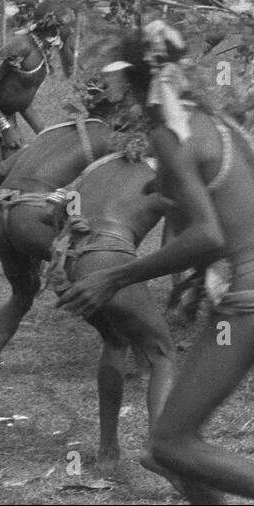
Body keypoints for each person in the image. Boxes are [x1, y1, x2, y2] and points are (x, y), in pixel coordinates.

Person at [56, 23, 254, 504]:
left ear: (137, 84)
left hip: (251, 298)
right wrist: (178, 193)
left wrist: (115, 276)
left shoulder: (171, 136)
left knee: (169, 443)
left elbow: (209, 237)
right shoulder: (222, 125)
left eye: (121, 86)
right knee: (174, 446)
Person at [0, 79, 129, 392]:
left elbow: (0, 171)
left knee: (21, 295)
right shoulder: (106, 136)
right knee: (88, 275)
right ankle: (120, 342)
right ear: (118, 109)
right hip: (30, 216)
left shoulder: (51, 131)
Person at [49, 141, 177, 467]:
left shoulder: (100, 165)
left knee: (115, 338)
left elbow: (53, 211)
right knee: (162, 352)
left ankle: (108, 450)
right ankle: (162, 451)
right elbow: (182, 243)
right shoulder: (166, 172)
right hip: (106, 256)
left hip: (65, 265)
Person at [0, 0, 76, 275]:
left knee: (19, 188)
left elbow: (22, 99)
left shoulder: (43, 50)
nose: (71, 28)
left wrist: (46, 133)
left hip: (5, 118)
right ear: (54, 24)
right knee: (1, 191)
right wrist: (4, 125)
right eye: (68, 23)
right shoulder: (20, 46)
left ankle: (27, 255)